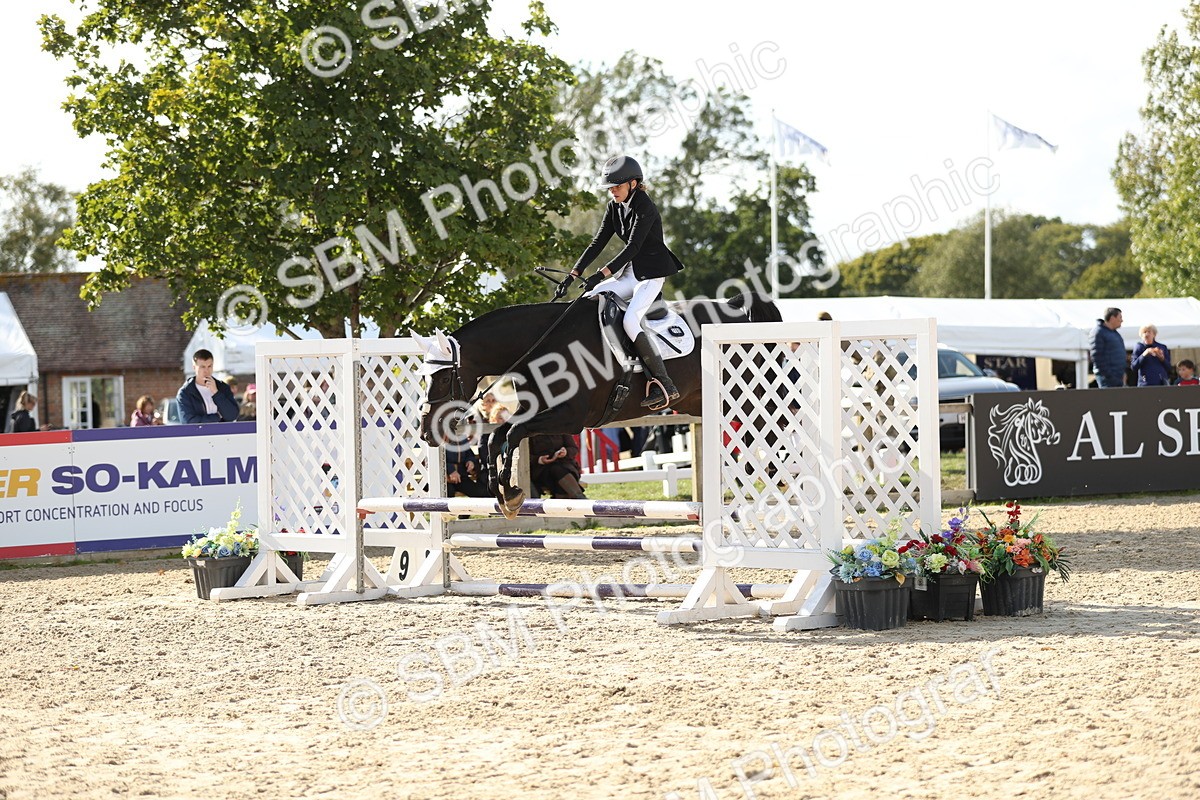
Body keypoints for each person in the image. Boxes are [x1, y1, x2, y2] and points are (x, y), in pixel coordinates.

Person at [566, 155, 685, 410]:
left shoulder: (646, 207)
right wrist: (574, 273)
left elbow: (634, 246)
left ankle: (664, 382)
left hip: (651, 276)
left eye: (616, 187)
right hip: (630, 274)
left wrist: (603, 273)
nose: (612, 192)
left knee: (631, 319)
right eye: (610, 188)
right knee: (592, 296)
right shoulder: (614, 207)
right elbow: (597, 242)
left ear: (633, 183)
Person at [177, 348, 240, 423]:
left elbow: (232, 416)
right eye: (202, 367)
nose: (206, 371)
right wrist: (217, 417)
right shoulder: (185, 392)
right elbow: (188, 421)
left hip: (222, 433)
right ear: (194, 368)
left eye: (209, 366)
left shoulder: (223, 387)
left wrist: (216, 393)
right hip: (199, 434)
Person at [529, 433, 586, 499]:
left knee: (559, 471)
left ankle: (578, 498)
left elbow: (573, 448)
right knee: (556, 471)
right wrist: (539, 459)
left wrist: (566, 452)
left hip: (565, 466)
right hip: (540, 470)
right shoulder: (530, 431)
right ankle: (580, 499)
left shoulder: (560, 427)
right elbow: (524, 456)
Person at [1089, 307, 1126, 388]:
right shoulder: (1098, 332)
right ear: (1112, 318)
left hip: (1117, 377)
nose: (1122, 320)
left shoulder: (1114, 333)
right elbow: (1097, 357)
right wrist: (1109, 376)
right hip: (1107, 379)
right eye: (1120, 317)